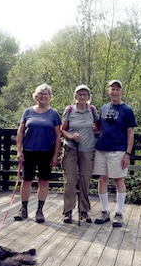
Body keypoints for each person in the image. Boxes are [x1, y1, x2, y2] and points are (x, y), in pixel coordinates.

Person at [14, 83, 62, 223]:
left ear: (49, 97)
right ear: (36, 96)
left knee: (43, 181)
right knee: (27, 180)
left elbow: (58, 135)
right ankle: (23, 209)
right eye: (40, 94)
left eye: (46, 94)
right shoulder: (28, 111)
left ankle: (40, 210)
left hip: (46, 151)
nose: (43, 96)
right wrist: (19, 150)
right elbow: (20, 131)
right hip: (29, 150)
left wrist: (55, 155)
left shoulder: (53, 114)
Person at [93, 80, 137, 227]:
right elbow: (98, 126)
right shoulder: (104, 108)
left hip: (118, 150)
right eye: (112, 89)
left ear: (121, 91)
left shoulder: (127, 110)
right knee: (102, 179)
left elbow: (130, 133)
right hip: (102, 148)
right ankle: (105, 211)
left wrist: (127, 153)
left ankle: (119, 213)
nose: (115, 92)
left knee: (118, 180)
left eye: (118, 89)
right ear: (108, 91)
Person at [60, 85, 98, 224]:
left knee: (85, 181)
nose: (82, 97)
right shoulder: (69, 110)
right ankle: (68, 212)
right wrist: (70, 136)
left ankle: (84, 211)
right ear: (75, 96)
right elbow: (61, 129)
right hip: (71, 148)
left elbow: (98, 126)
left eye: (85, 94)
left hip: (87, 149)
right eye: (80, 94)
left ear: (88, 97)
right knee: (69, 181)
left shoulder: (92, 110)